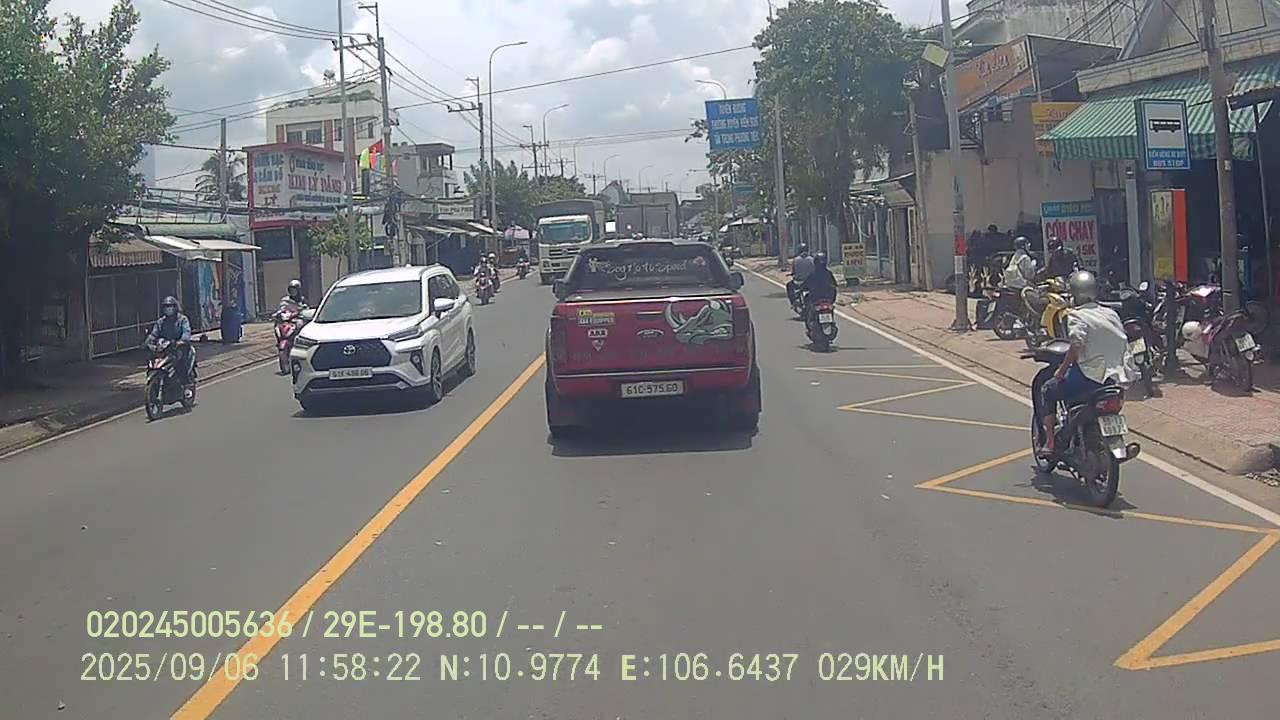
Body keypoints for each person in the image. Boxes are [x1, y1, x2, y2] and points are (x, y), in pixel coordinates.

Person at [1034, 270, 1136, 456]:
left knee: (1048, 389)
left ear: (1074, 294)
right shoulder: (1110, 313)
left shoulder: (1076, 316)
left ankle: (1049, 442)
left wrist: (1061, 371)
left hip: (1091, 378)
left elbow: (1076, 345)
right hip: (1117, 378)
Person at [145, 296, 195, 385]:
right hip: (164, 348)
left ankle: (185, 384)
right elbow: (154, 334)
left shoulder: (182, 319)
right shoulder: (161, 322)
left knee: (180, 363)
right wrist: (148, 342)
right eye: (165, 306)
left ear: (175, 307)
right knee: (152, 359)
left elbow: (186, 333)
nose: (167, 308)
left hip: (179, 347)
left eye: (169, 306)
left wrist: (182, 341)